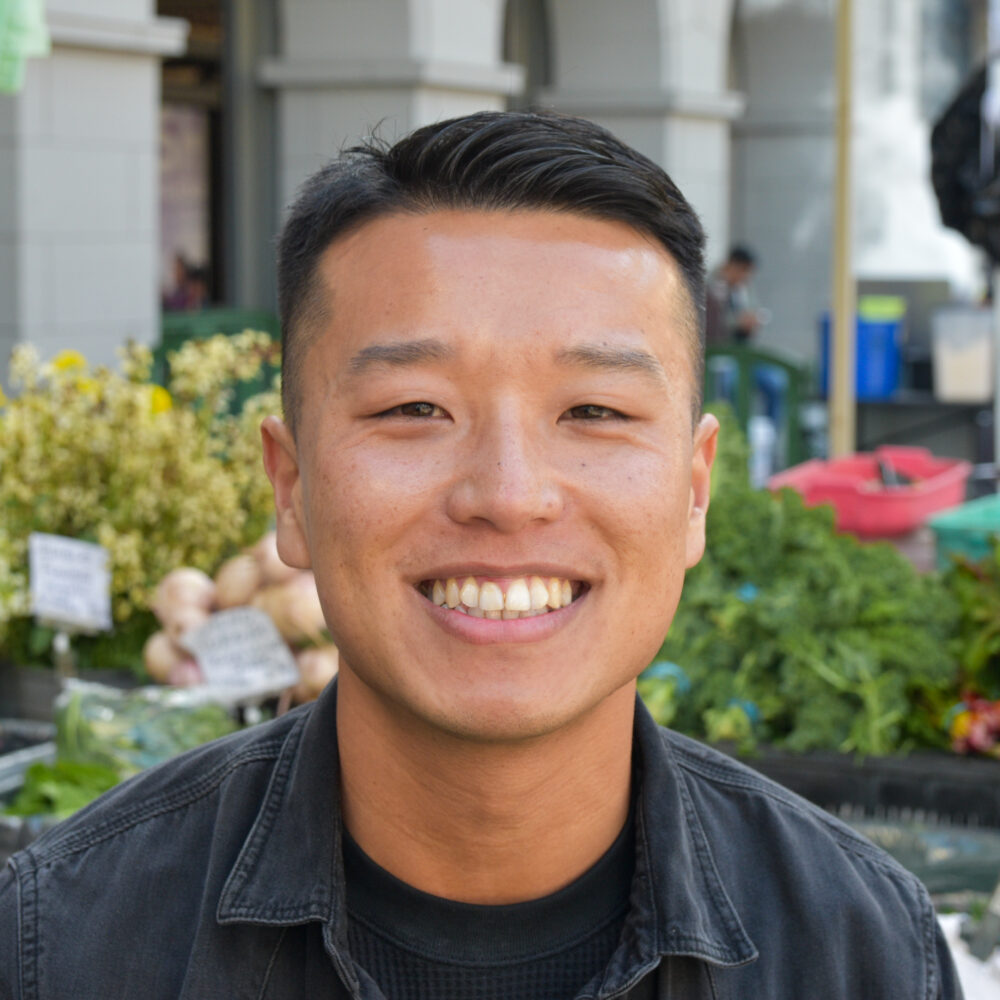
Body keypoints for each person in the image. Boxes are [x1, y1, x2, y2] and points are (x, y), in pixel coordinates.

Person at [0, 112, 962, 999]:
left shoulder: (860, 949)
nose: (507, 494)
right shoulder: (64, 943)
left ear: (695, 488)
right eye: (415, 408)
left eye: (594, 411)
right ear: (290, 487)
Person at [705, 244, 764, 346]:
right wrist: (738, 322)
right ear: (733, 266)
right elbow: (714, 322)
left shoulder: (740, 290)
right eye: (744, 271)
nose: (745, 277)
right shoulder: (712, 286)